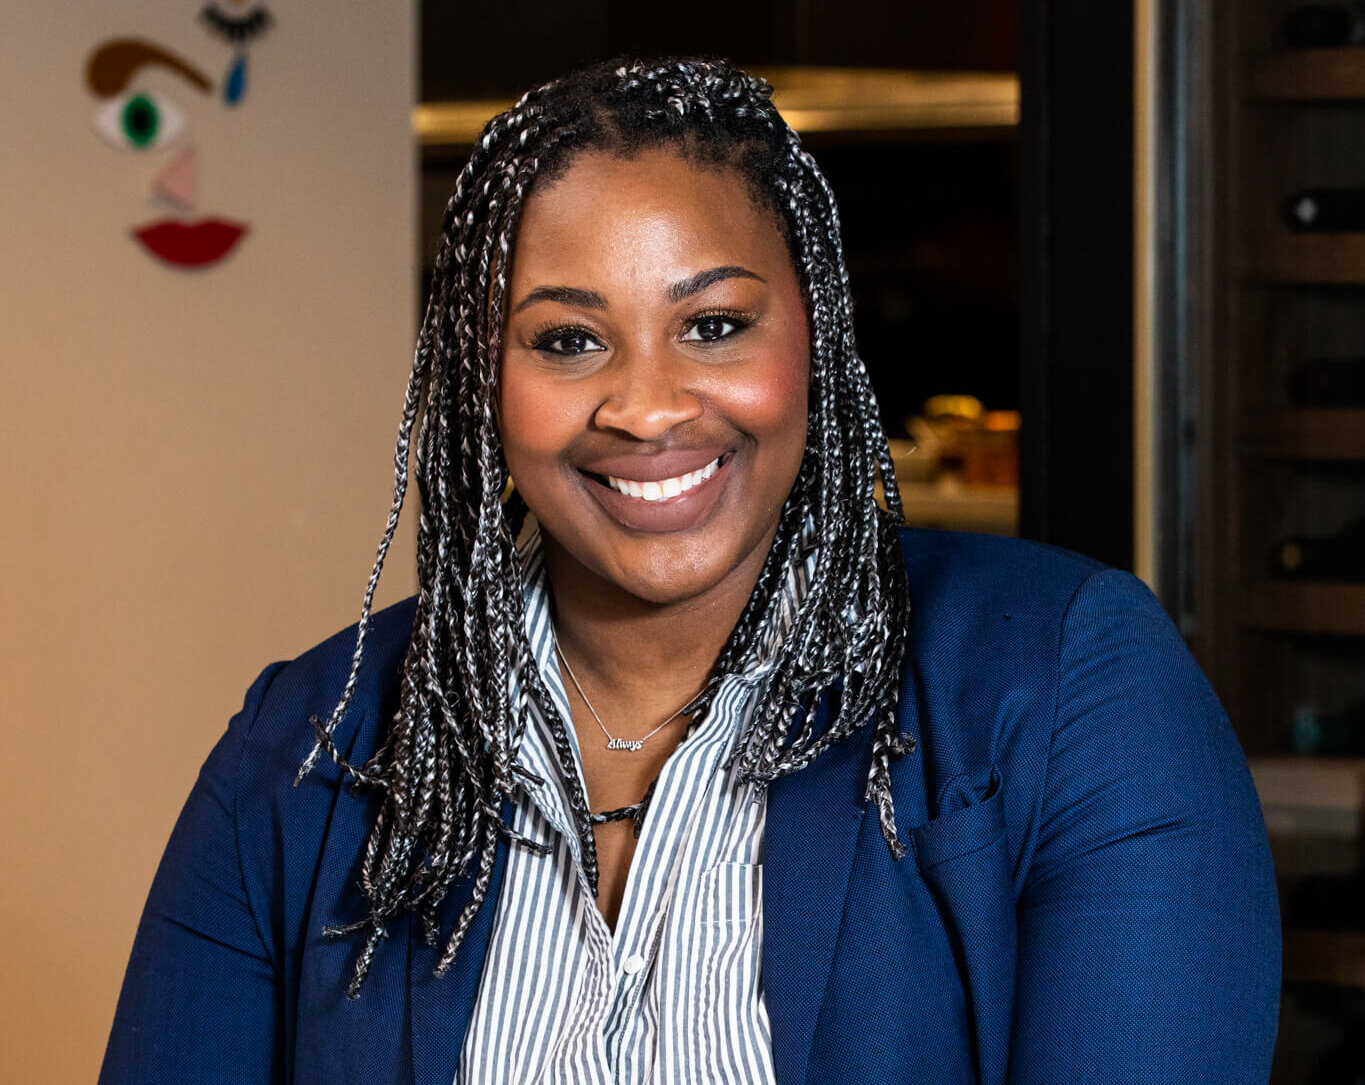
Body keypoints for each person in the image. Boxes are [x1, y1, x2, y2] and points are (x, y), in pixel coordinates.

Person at [100, 57, 1281, 1084]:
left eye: (714, 323)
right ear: (483, 382)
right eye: (568, 339)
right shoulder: (303, 750)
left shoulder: (1071, 685)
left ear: (815, 330)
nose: (649, 404)